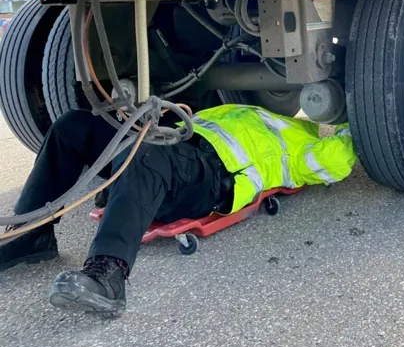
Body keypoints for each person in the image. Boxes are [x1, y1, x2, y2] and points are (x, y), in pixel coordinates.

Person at [1, 105, 355, 316]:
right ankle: (33, 236)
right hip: (174, 142)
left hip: (212, 178)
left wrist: (354, 117)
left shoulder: (307, 141)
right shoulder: (248, 108)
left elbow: (340, 158)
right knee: (72, 125)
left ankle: (108, 274)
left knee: (146, 156)